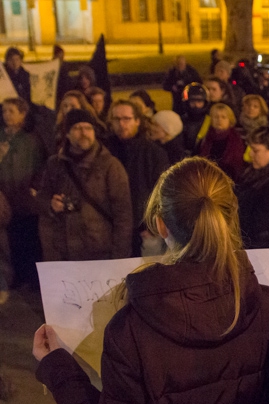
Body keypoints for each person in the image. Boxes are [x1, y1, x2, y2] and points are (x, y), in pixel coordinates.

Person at [33, 156, 269, 404]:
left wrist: (59, 368)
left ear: (159, 224)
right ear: (230, 216)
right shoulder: (268, 306)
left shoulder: (131, 328)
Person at [38, 109, 132, 261]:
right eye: (77, 128)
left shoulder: (110, 166)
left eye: (88, 128)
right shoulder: (54, 164)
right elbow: (41, 198)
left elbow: (123, 216)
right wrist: (51, 204)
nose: (84, 132)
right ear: (67, 134)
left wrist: (119, 257)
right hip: (64, 251)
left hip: (99, 252)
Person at [105, 100, 170, 256]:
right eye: (117, 119)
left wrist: (152, 224)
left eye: (126, 118)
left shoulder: (153, 152)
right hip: (112, 228)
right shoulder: (104, 152)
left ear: (137, 121)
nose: (122, 124)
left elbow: (163, 189)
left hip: (143, 229)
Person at [0, 98, 46, 286]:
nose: (6, 115)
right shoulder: (1, 138)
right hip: (4, 199)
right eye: (4, 111)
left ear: (23, 114)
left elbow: (42, 166)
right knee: (8, 241)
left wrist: (34, 186)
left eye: (11, 111)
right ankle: (15, 277)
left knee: (27, 238)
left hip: (25, 198)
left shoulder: (31, 139)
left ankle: (32, 278)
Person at [196, 103, 246, 183]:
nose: (219, 120)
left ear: (230, 120)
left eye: (223, 117)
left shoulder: (235, 141)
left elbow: (235, 166)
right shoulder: (205, 139)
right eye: (216, 117)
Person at [181, 83, 210, 151]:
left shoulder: (210, 121)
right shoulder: (180, 121)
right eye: (193, 101)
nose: (196, 105)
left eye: (199, 101)